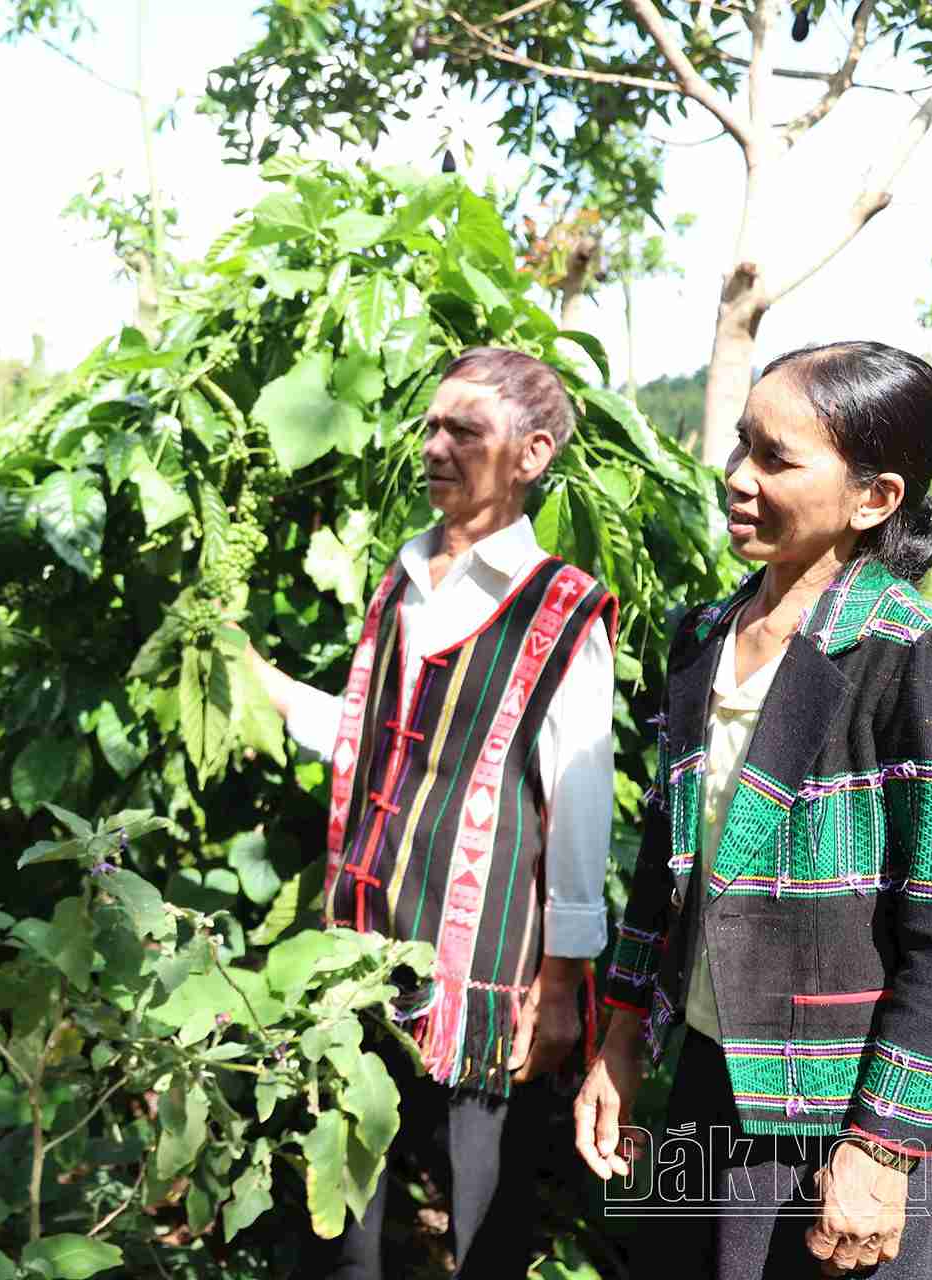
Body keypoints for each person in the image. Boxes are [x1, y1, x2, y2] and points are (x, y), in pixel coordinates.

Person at [575, 341, 932, 1279]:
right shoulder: (703, 636)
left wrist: (886, 1143)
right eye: (742, 446)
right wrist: (619, 1035)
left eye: (775, 459)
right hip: (718, 1071)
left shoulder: (914, 655)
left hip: (851, 1100)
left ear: (874, 498)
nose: (737, 478)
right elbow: (668, 858)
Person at [244, 347, 618, 1278]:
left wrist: (563, 982)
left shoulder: (560, 609)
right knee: (347, 1203)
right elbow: (374, 737)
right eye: (432, 427)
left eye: (467, 431)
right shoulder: (402, 580)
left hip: (477, 973)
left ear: (532, 455)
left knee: (480, 1217)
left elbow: (579, 802)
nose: (437, 448)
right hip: (360, 944)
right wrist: (265, 682)